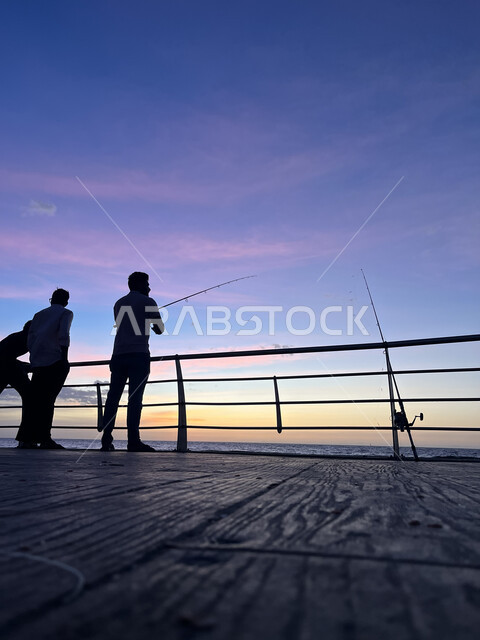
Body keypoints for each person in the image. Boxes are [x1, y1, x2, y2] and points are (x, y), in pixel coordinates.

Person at [101, 272, 164, 452]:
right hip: (139, 355)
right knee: (135, 399)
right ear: (141, 284)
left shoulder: (118, 303)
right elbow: (159, 329)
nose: (150, 288)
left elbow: (126, 324)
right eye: (147, 284)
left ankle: (106, 439)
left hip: (118, 355)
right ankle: (133, 441)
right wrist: (151, 322)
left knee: (113, 398)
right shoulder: (148, 302)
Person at [25, 288, 73, 449]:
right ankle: (45, 437)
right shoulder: (66, 313)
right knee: (49, 400)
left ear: (51, 299)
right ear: (66, 301)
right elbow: (63, 335)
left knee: (35, 401)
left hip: (38, 362)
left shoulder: (38, 315)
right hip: (55, 360)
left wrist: (34, 357)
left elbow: (30, 338)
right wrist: (64, 358)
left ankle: (29, 438)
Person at [0, 321, 33, 448]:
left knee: (29, 396)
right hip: (8, 368)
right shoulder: (28, 339)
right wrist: (21, 365)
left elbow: (6, 354)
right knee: (30, 397)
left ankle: (25, 439)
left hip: (6, 367)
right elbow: (6, 357)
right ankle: (25, 439)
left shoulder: (15, 336)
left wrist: (19, 364)